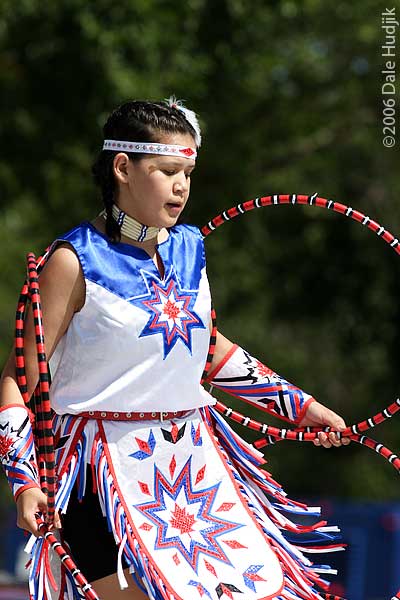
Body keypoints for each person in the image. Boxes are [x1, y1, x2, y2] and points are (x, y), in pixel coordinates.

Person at [0, 98, 350, 600]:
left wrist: (301, 407)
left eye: (187, 171)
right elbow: (18, 378)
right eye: (167, 171)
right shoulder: (72, 262)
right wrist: (23, 481)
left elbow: (206, 352)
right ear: (123, 168)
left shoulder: (190, 247)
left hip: (191, 467)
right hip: (97, 475)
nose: (182, 185)